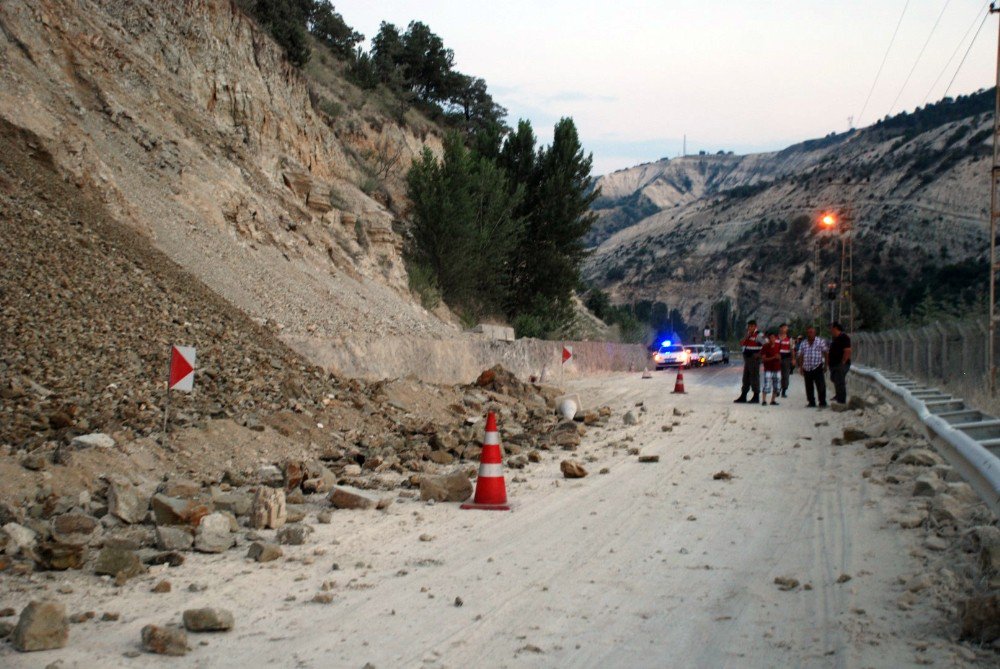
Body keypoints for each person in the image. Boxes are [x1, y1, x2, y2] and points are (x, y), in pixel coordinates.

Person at [796, 326, 828, 408]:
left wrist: (826, 365)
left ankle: (822, 402)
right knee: (809, 386)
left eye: (811, 332)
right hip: (807, 367)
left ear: (815, 333)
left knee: (821, 386)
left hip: (817, 366)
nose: (810, 334)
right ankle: (811, 402)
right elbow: (800, 355)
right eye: (808, 332)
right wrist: (800, 367)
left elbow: (826, 353)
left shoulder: (820, 341)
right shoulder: (803, 343)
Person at [734, 319, 764, 404]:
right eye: (749, 326)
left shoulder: (759, 335)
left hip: (754, 359)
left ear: (755, 326)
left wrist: (759, 354)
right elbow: (745, 344)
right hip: (747, 359)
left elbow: (766, 345)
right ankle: (744, 395)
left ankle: (756, 396)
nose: (749, 328)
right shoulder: (749, 335)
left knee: (754, 377)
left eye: (751, 326)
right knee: (746, 377)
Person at [828, 321, 852, 405]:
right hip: (834, 365)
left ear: (835, 328)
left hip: (840, 364)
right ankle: (838, 396)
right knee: (835, 380)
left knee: (840, 382)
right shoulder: (836, 338)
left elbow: (847, 351)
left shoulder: (844, 337)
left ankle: (841, 401)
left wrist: (843, 362)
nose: (830, 330)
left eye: (831, 328)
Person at [760, 331, 782, 406]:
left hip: (777, 368)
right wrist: (773, 358)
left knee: (777, 385)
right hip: (768, 368)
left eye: (773, 337)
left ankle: (773, 400)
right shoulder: (765, 346)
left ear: (775, 338)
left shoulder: (778, 346)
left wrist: (779, 358)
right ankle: (764, 400)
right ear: (768, 339)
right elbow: (763, 359)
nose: (772, 339)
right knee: (767, 385)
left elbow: (780, 356)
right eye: (770, 338)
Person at [777, 323, 795, 398]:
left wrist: (793, 359)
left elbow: (792, 350)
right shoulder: (775, 338)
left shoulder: (790, 339)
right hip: (777, 359)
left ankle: (784, 390)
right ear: (780, 328)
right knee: (777, 375)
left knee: (785, 376)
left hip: (786, 359)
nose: (785, 329)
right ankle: (777, 390)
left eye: (786, 328)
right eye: (784, 328)